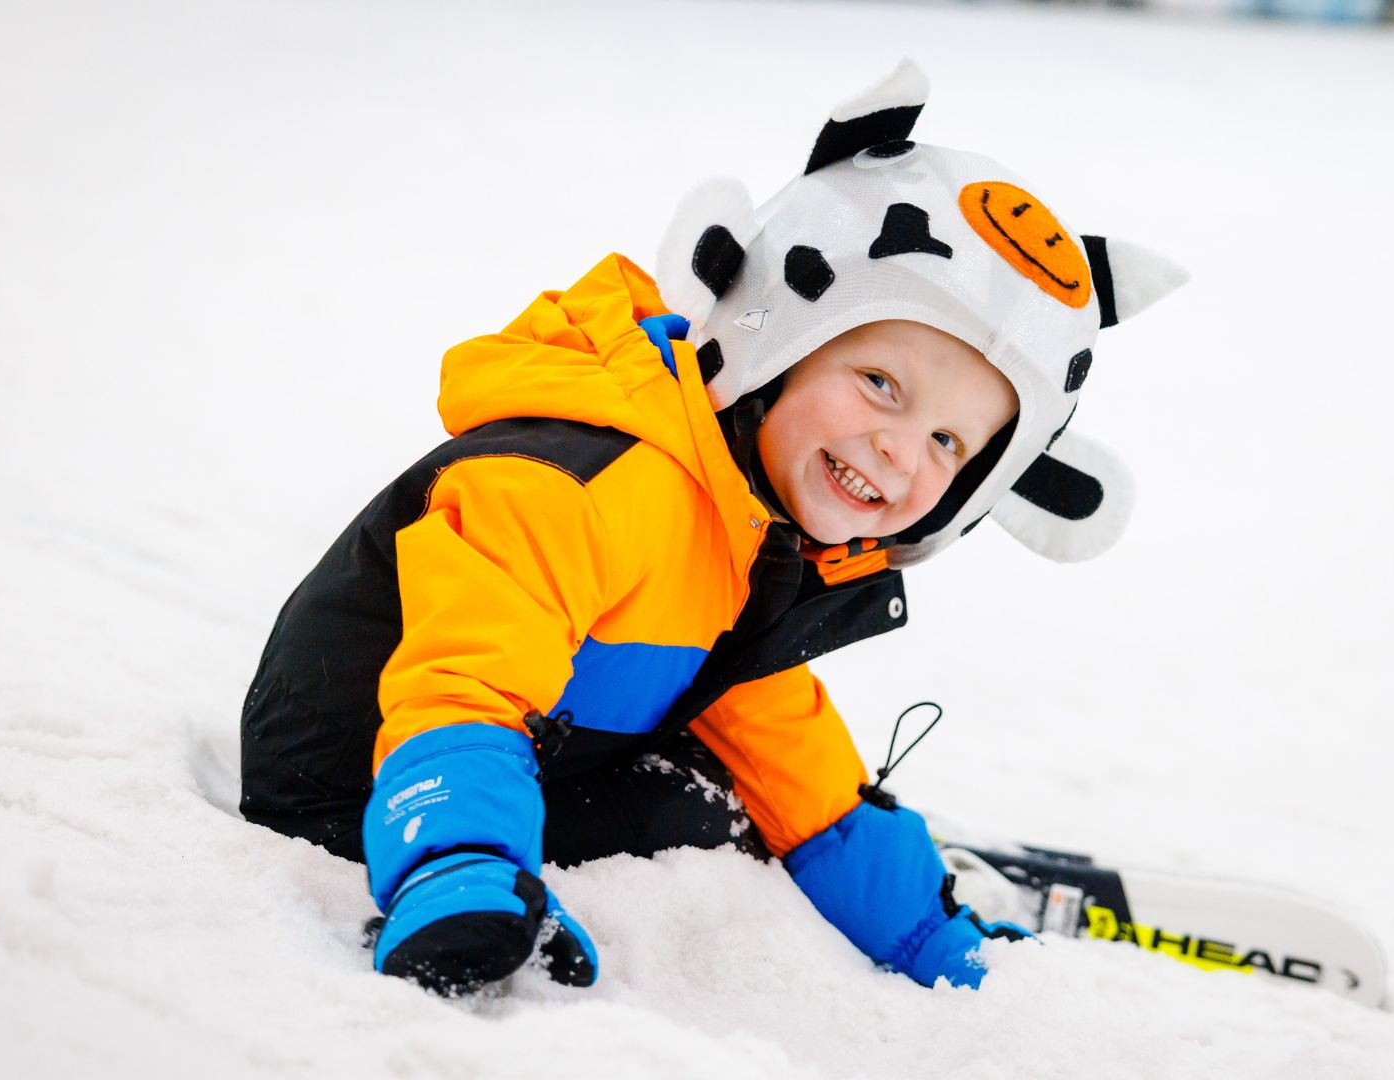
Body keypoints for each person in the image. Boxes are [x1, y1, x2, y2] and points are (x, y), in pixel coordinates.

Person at [238, 60, 1186, 996]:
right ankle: (476, 857)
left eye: (947, 439)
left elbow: (787, 744)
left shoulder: (746, 535)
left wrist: (932, 943)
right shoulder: (589, 482)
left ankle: (893, 885)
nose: (900, 451)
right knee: (698, 807)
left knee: (750, 771)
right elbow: (462, 684)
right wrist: (466, 875)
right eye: (879, 384)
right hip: (362, 783)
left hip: (518, 750)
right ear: (777, 341)